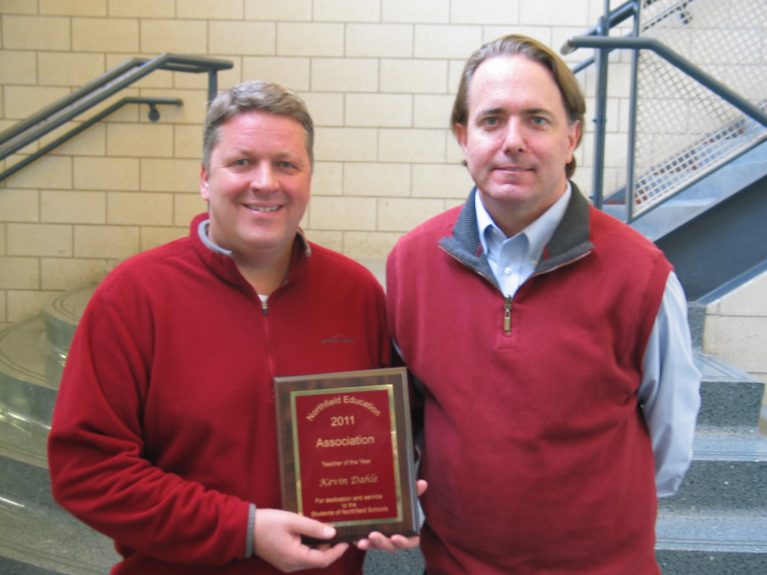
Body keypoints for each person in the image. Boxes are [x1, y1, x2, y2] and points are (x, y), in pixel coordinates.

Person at [48, 80, 419, 575]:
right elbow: (87, 470)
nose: (265, 182)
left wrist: (395, 492)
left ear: (308, 178)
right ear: (205, 178)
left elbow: (392, 430)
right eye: (242, 162)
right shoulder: (133, 297)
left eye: (286, 164)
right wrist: (241, 529)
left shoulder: (356, 293)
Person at [386, 34, 701, 574]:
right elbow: (407, 420)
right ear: (463, 136)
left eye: (537, 119)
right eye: (491, 120)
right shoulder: (411, 265)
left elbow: (670, 443)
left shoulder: (642, 274)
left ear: (572, 136)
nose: (513, 141)